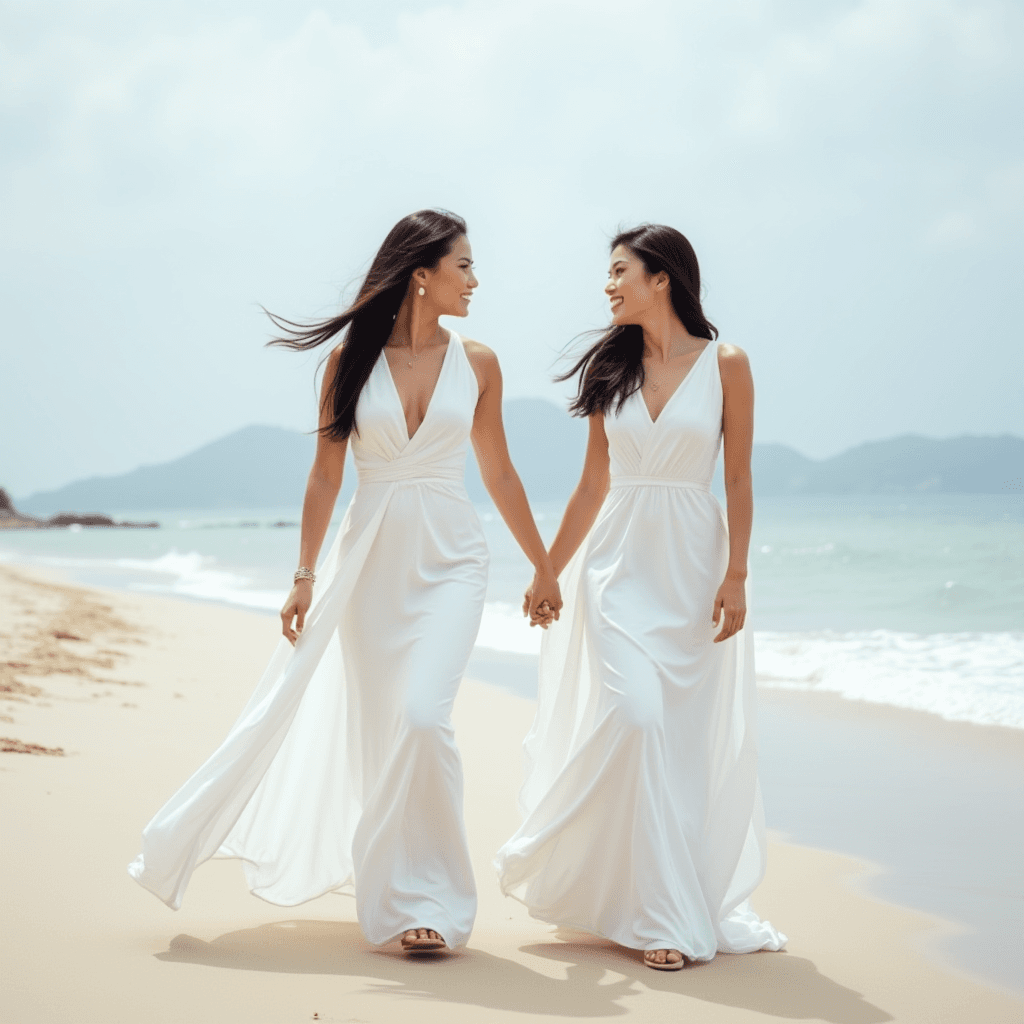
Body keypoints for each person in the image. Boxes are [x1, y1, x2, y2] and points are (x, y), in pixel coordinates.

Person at [129, 209, 561, 955]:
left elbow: (498, 470)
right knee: (382, 732)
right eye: (464, 265)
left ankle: (436, 897)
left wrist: (544, 562)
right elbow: (327, 473)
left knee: (425, 718)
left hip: (454, 559)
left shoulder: (480, 363)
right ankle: (398, 899)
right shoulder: (348, 363)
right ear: (422, 274)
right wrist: (303, 574)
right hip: (369, 566)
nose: (476, 280)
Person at [496, 224, 786, 970]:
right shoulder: (612, 367)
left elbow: (740, 478)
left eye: (620, 271)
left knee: (678, 746)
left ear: (663, 278)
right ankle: (649, 909)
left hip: (693, 569)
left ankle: (658, 895)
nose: (608, 285)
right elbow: (594, 483)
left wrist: (739, 574)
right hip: (617, 571)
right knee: (636, 715)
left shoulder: (727, 363)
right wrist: (549, 568)